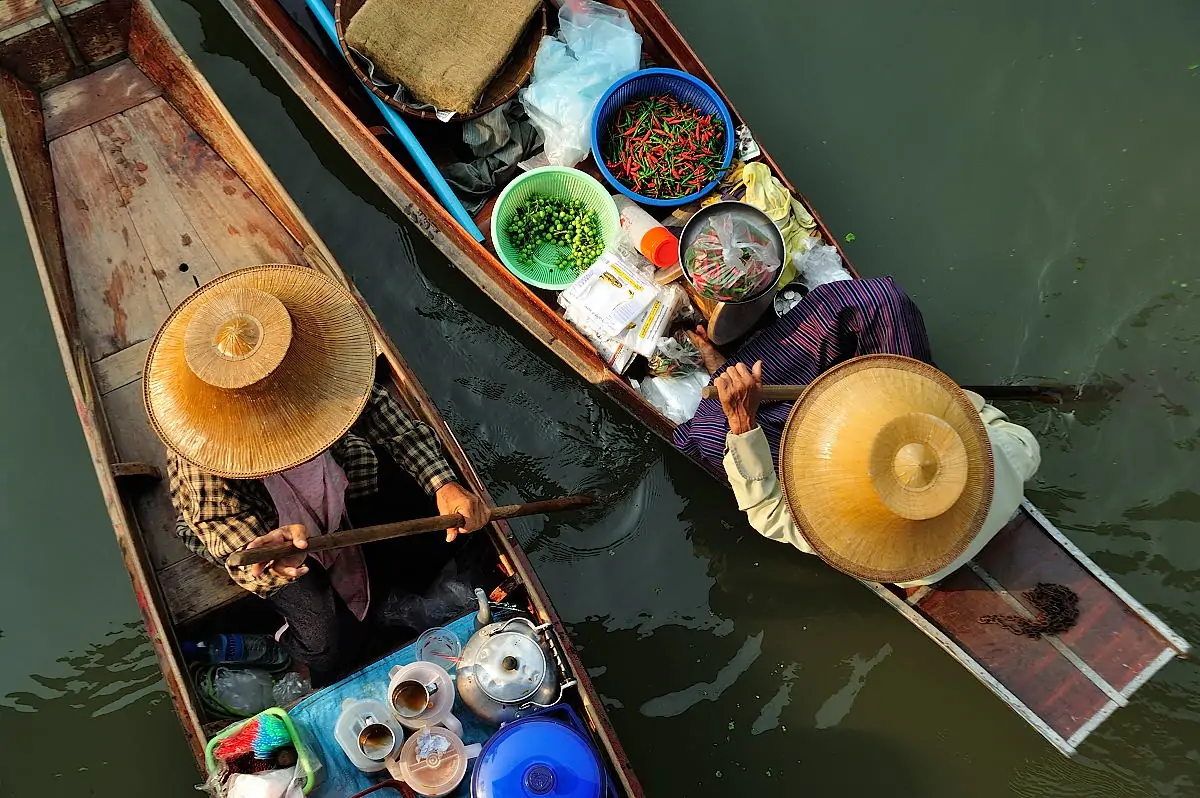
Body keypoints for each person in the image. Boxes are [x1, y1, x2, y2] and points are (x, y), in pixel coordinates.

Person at [145, 265, 489, 684]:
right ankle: (286, 647)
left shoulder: (314, 368)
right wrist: (268, 559)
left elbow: (385, 417)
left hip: (335, 480)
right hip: (270, 527)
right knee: (325, 646)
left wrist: (444, 484)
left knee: (428, 535)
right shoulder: (201, 442)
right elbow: (219, 527)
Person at [676, 276, 1041, 586]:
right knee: (882, 301)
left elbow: (769, 512)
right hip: (904, 407)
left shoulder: (864, 536)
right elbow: (1010, 434)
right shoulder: (1005, 458)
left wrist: (742, 422)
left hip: (836, 445)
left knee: (710, 429)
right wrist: (937, 400)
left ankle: (723, 371)